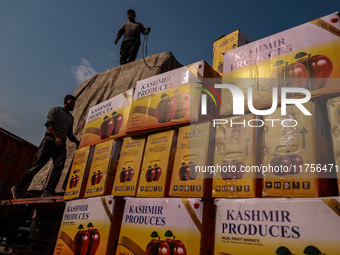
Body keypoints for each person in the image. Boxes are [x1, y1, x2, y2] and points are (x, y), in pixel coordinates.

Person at [11, 95, 80, 199]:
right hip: (49, 141)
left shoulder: (71, 118)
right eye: (71, 102)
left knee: (59, 166)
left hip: (61, 145)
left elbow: (69, 134)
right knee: (38, 165)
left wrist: (77, 141)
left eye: (74, 103)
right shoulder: (55, 110)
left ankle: (48, 191)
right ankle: (17, 187)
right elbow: (49, 124)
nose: (73, 105)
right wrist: (56, 136)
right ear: (66, 101)